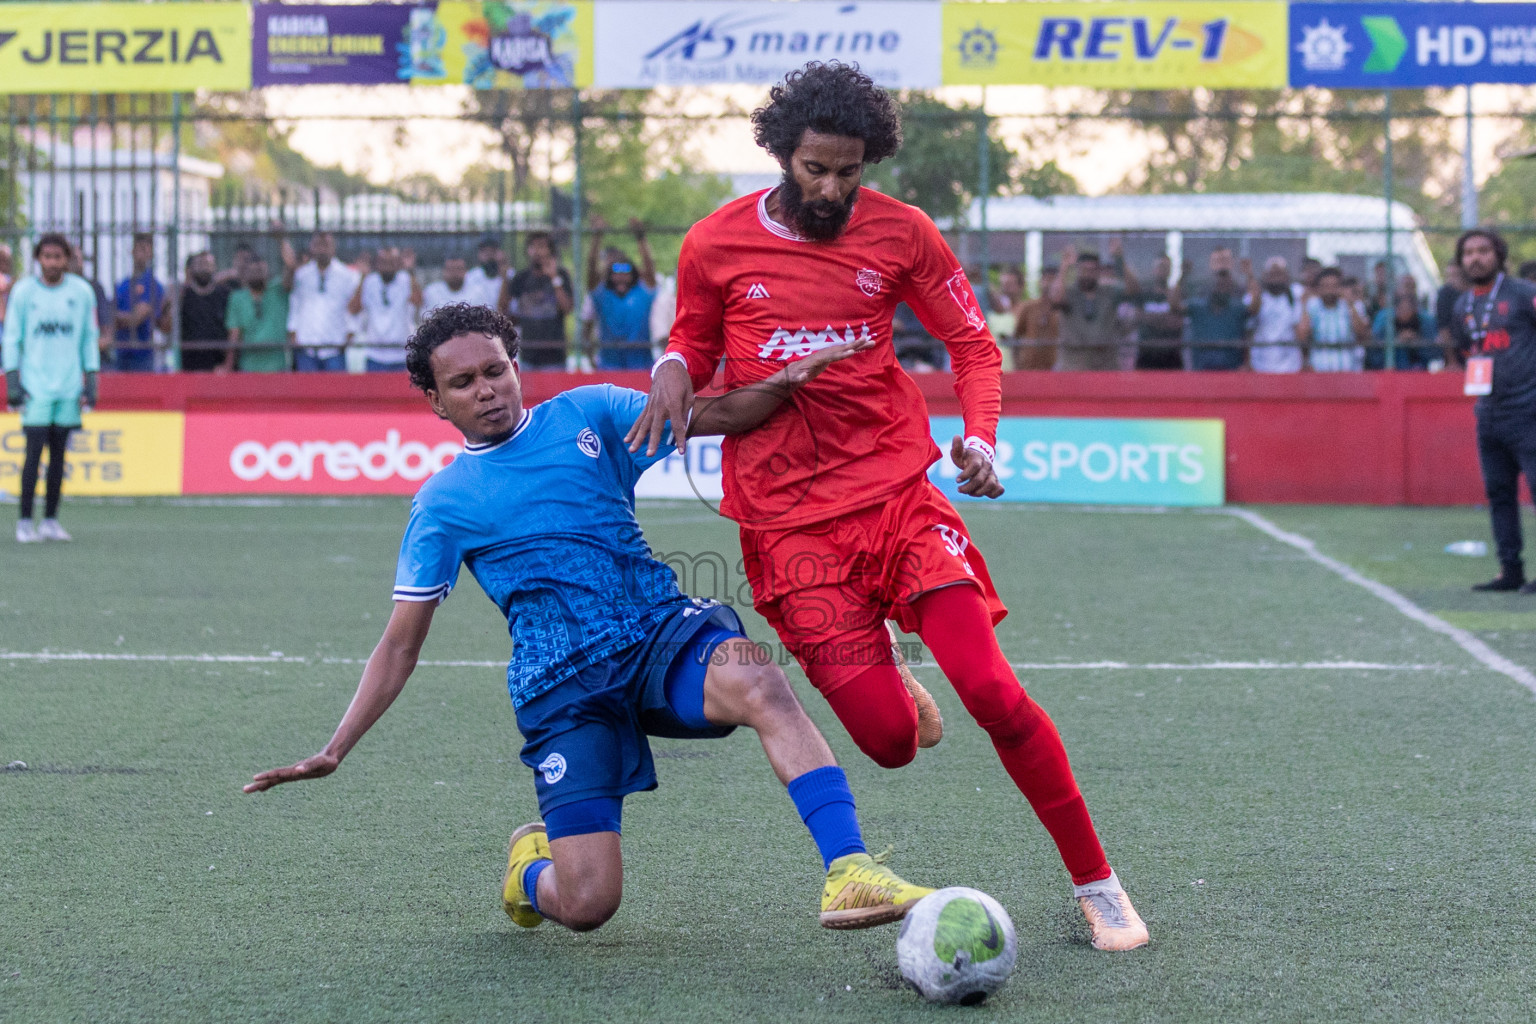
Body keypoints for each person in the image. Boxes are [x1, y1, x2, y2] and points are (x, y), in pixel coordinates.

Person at [628, 61, 1148, 952]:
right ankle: (893, 681)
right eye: (815, 169)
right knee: (890, 744)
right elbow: (692, 340)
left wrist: (979, 437)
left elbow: (971, 343)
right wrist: (672, 367)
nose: (832, 187)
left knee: (993, 690)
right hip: (787, 521)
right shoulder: (715, 242)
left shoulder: (903, 234)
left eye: (850, 170)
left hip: (897, 492)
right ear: (782, 154)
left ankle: (1098, 886)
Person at [244, 303, 935, 934]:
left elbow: (717, 417)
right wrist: (337, 746)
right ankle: (529, 869)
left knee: (758, 679)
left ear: (518, 368)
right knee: (588, 905)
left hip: (657, 633)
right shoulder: (442, 504)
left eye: (496, 370)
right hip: (562, 689)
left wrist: (785, 381)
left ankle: (848, 868)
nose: (485, 389)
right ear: (434, 400)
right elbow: (399, 646)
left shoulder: (591, 414)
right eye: (462, 383)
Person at [1447, 230, 1536, 592]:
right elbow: (1469, 350)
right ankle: (1509, 570)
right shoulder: (1461, 305)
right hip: (1489, 413)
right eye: (1468, 253)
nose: (1475, 258)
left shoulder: (1523, 294)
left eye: (1483, 251)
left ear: (1498, 255)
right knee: (1499, 493)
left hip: (1529, 410)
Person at [2, 233, 99, 543]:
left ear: (67, 259)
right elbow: (11, 337)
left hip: (69, 387)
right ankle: (25, 522)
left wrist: (91, 380)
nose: (53, 262)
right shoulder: (24, 292)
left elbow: (88, 337)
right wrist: (13, 381)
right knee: (33, 455)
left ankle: (51, 521)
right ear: (38, 259)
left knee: (59, 457)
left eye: (58, 257)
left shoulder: (81, 292)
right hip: (36, 387)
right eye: (47, 257)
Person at [582, 217, 658, 370]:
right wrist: (597, 236)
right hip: (609, 366)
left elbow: (649, 267)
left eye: (626, 271)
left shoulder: (642, 294)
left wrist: (640, 237)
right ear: (609, 275)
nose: (621, 275)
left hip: (641, 366)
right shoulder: (602, 296)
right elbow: (591, 268)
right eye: (616, 271)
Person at [1050, 243, 1137, 371]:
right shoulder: (1069, 292)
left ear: (1098, 271)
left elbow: (1133, 289)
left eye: (1092, 270)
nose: (1088, 274)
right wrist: (1064, 265)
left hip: (1106, 364)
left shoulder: (1109, 292)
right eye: (1084, 270)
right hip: (1073, 364)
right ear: (1078, 270)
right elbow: (1055, 298)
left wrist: (1119, 259)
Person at [284, 231, 359, 372]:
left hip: (335, 348)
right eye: (318, 245)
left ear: (334, 247)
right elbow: (295, 305)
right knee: (307, 393)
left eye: (326, 245)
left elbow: (353, 309)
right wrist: (293, 333)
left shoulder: (347, 275)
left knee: (336, 392)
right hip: (306, 348)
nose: (322, 250)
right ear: (311, 248)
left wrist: (350, 334)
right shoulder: (302, 274)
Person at [500, 232, 573, 370]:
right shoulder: (521, 278)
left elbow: (567, 308)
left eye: (541, 246)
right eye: (532, 246)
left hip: (555, 356)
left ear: (550, 250)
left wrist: (554, 278)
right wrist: (505, 279)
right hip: (528, 354)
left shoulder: (561, 275)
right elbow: (503, 309)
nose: (537, 251)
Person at [349, 246, 422, 372]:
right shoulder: (369, 281)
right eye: (383, 262)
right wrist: (362, 277)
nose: (387, 266)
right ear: (377, 264)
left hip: (400, 354)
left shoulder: (405, 279)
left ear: (397, 263)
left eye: (391, 262)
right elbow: (353, 309)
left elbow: (419, 301)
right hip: (374, 354)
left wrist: (410, 271)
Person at [112, 232, 170, 372]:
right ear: (131, 251)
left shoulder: (153, 285)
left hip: (143, 355)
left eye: (145, 249)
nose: (140, 254)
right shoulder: (123, 284)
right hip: (120, 352)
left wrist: (116, 317)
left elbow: (136, 318)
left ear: (151, 254)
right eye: (138, 249)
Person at [225, 257, 291, 372]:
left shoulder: (278, 290)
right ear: (245, 274)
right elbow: (234, 334)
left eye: (260, 271)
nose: (257, 275)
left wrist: (282, 240)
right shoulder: (237, 298)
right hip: (249, 367)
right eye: (253, 271)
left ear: (267, 273)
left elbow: (291, 267)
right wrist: (228, 365)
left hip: (278, 367)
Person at [1299, 268, 1369, 372]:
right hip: (1319, 370)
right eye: (1326, 286)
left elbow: (1363, 335)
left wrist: (1351, 305)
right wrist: (1305, 306)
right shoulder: (1313, 306)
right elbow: (1302, 337)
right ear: (1318, 288)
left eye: (1334, 286)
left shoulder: (1351, 305)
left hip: (1347, 370)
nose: (1330, 290)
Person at [1245, 256, 1304, 374]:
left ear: (1287, 276)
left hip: (1290, 365)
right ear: (1265, 276)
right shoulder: (1256, 297)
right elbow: (1249, 323)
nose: (1276, 279)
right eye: (1272, 274)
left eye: (1279, 274)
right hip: (1260, 364)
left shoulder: (1296, 295)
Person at [1186, 262, 1248, 371]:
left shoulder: (1238, 308)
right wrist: (1181, 275)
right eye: (1218, 284)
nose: (1221, 287)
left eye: (1224, 284)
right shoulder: (1198, 307)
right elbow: (1174, 306)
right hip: (1202, 370)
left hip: (1232, 370)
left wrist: (1249, 274)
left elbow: (1255, 307)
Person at [178, 251, 234, 372]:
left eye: (207, 264)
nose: (204, 268)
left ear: (214, 267)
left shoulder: (226, 295)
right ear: (191, 269)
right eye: (200, 264)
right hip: (189, 367)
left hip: (218, 367)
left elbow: (233, 331)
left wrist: (227, 364)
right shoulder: (183, 296)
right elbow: (168, 327)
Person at [1132, 255, 1184, 370]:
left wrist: (1150, 319)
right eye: (1160, 266)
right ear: (1153, 270)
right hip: (1146, 356)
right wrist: (1165, 318)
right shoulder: (1144, 295)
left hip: (1171, 357)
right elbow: (1138, 318)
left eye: (1166, 267)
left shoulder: (1177, 295)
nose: (1163, 270)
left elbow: (1177, 323)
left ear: (1170, 270)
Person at [1014, 264, 1061, 370]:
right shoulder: (1029, 307)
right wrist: (1017, 365)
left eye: (1053, 280)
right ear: (1041, 282)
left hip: (1055, 370)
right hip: (1029, 368)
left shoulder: (1062, 310)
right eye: (1047, 279)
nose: (1049, 284)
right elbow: (1016, 337)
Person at [1436, 262, 1467, 368]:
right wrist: (1452, 361)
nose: (1452, 280)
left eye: (1456, 275)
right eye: (1449, 276)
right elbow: (1443, 328)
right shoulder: (1445, 294)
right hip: (1456, 352)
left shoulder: (1476, 291)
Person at [465, 236, 507, 308]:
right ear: (479, 254)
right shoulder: (471, 277)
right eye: (485, 251)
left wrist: (505, 277)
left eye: (493, 251)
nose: (489, 254)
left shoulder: (510, 274)